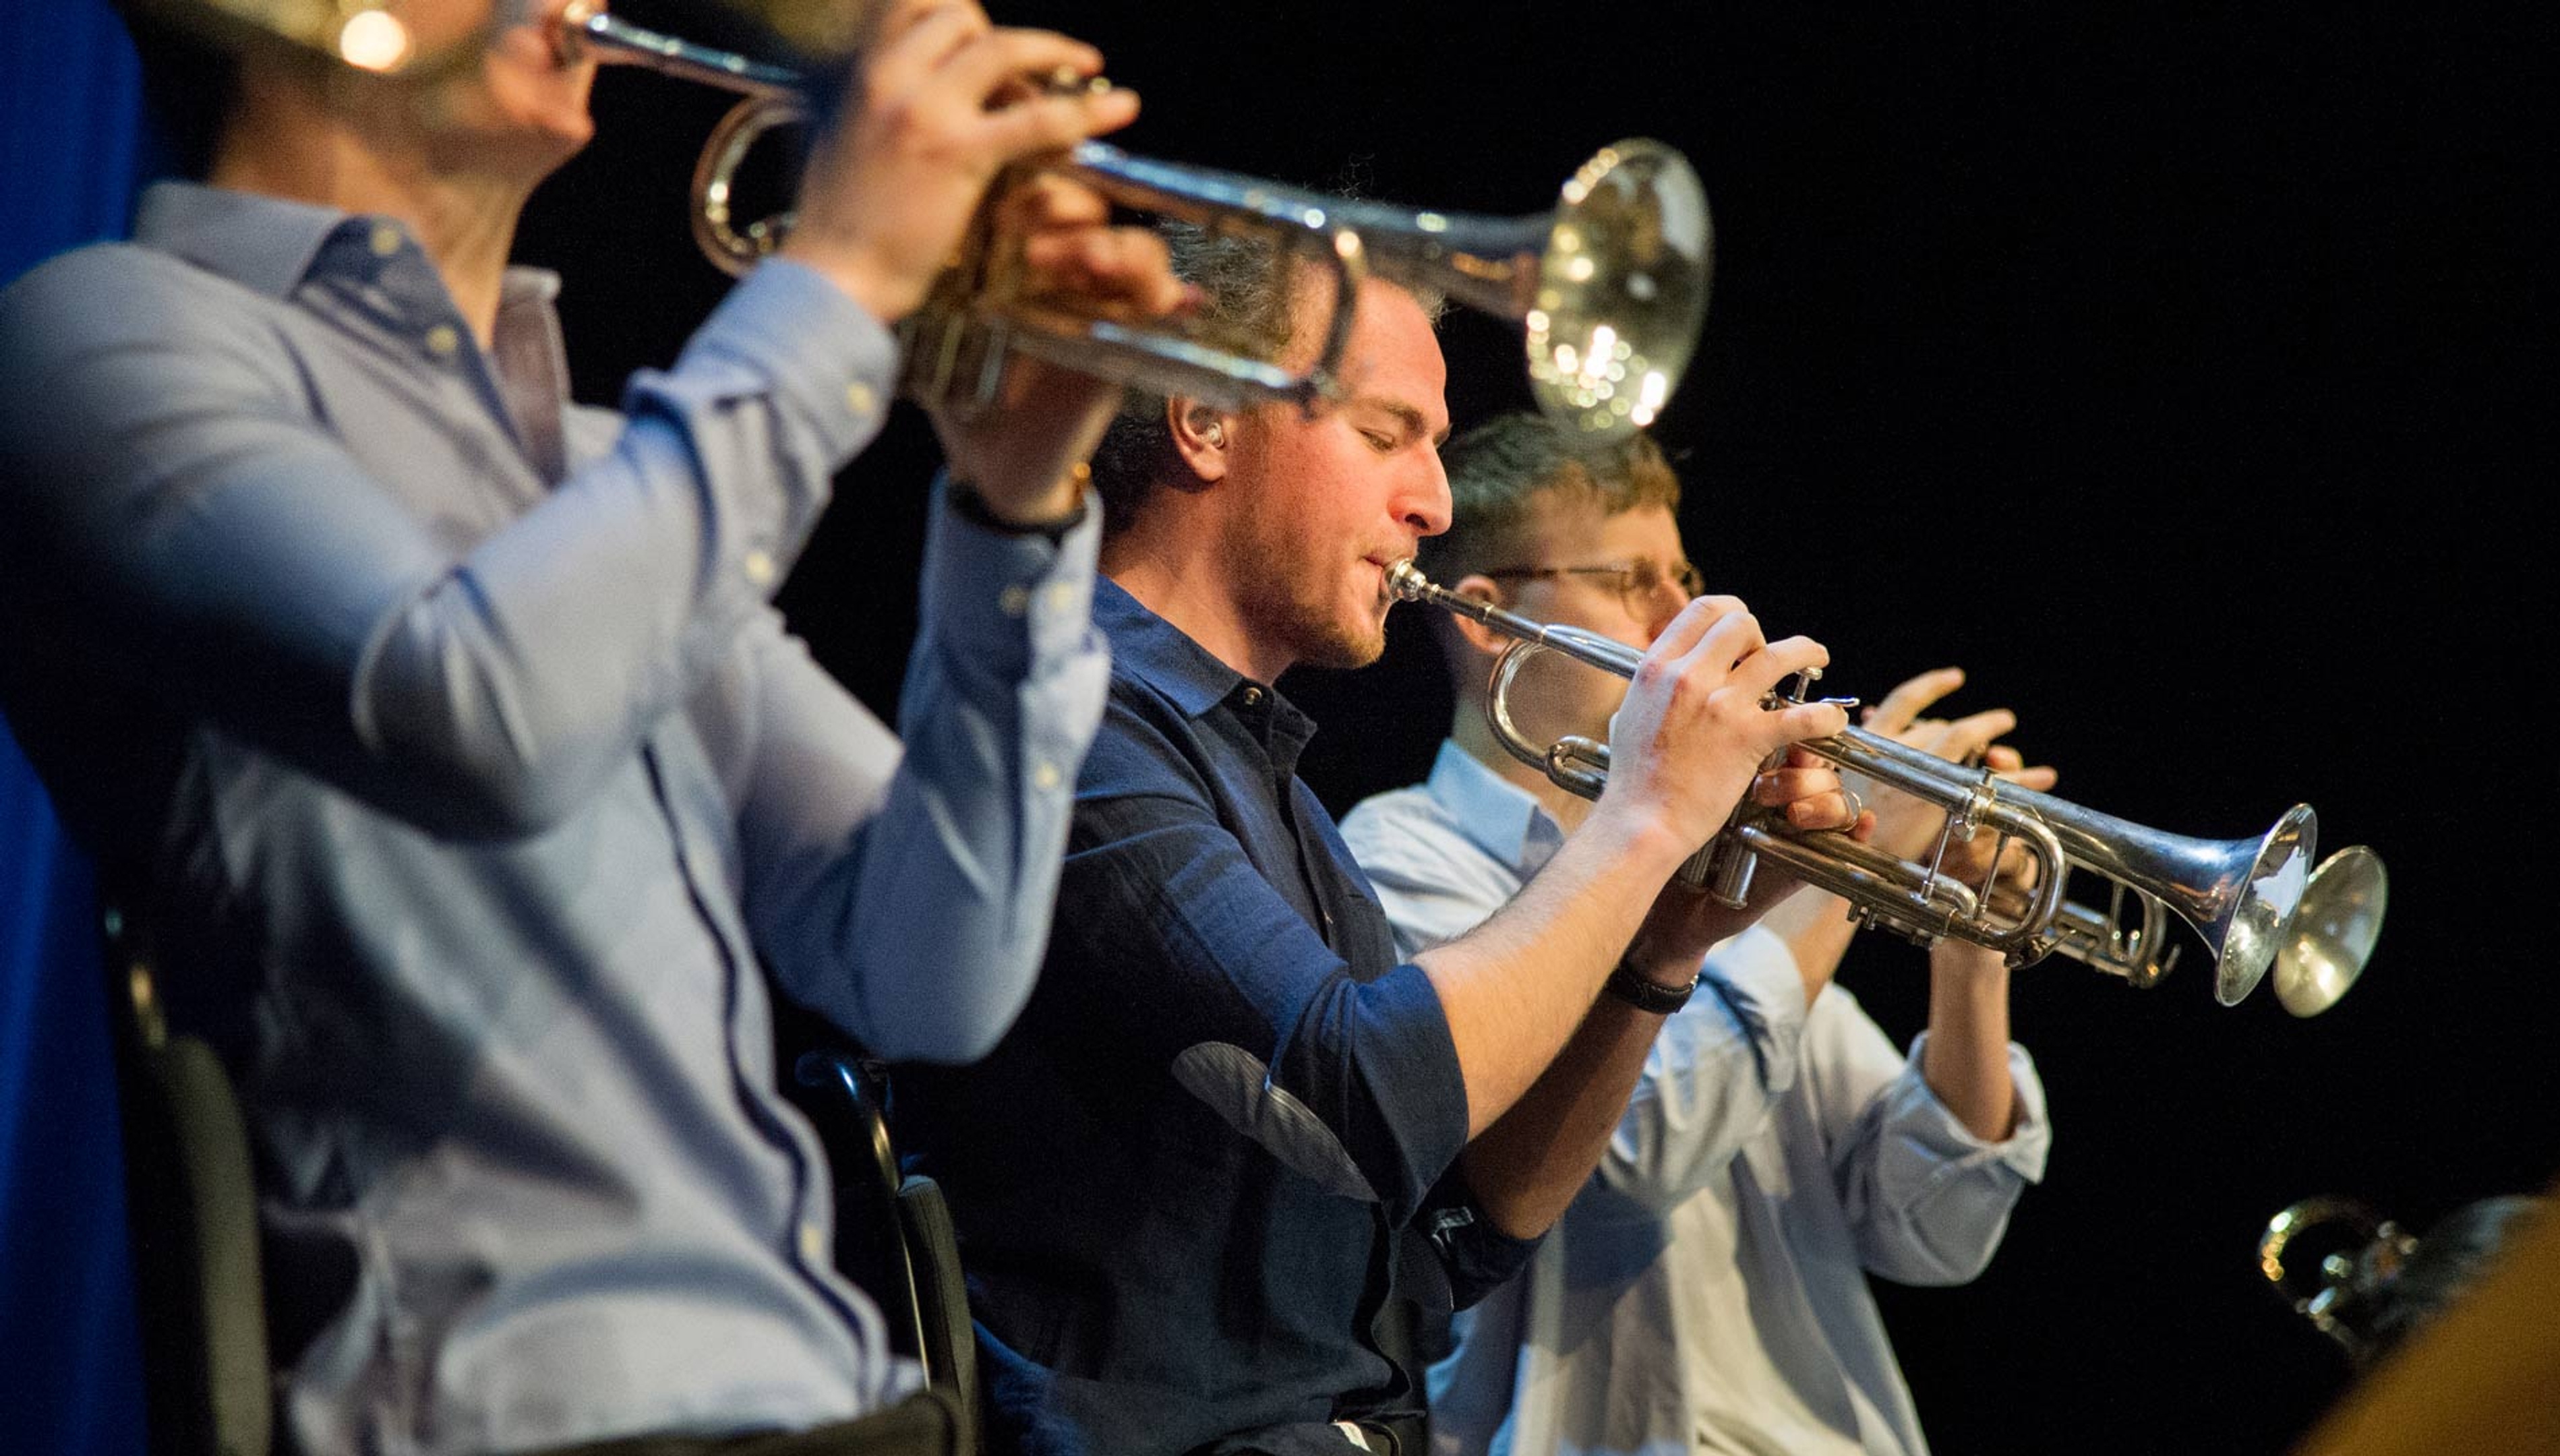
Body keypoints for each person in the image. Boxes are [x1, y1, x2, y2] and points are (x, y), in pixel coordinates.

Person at [0, 1, 1185, 1451]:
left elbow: (932, 969)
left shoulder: (614, 473)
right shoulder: (91, 338)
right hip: (516, 1418)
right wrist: (850, 269)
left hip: (847, 1407)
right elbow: (478, 713)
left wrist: (1016, 510)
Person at [889, 226, 1860, 1456]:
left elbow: (1454, 1241)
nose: (1436, 504)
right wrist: (1647, 813)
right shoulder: (1070, 722)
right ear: (1205, 417)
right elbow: (1361, 1081)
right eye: (1386, 433)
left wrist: (1664, 945)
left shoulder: (1269, 782)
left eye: (1437, 449)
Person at [1338, 413, 2054, 1456]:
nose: (1695, 617)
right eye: (1635, 583)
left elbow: (1933, 1233)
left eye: (1686, 575)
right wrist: (1833, 893)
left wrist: (1968, 939)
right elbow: (1635, 1160)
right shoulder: (1403, 861)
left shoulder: (1721, 860)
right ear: (1490, 619)